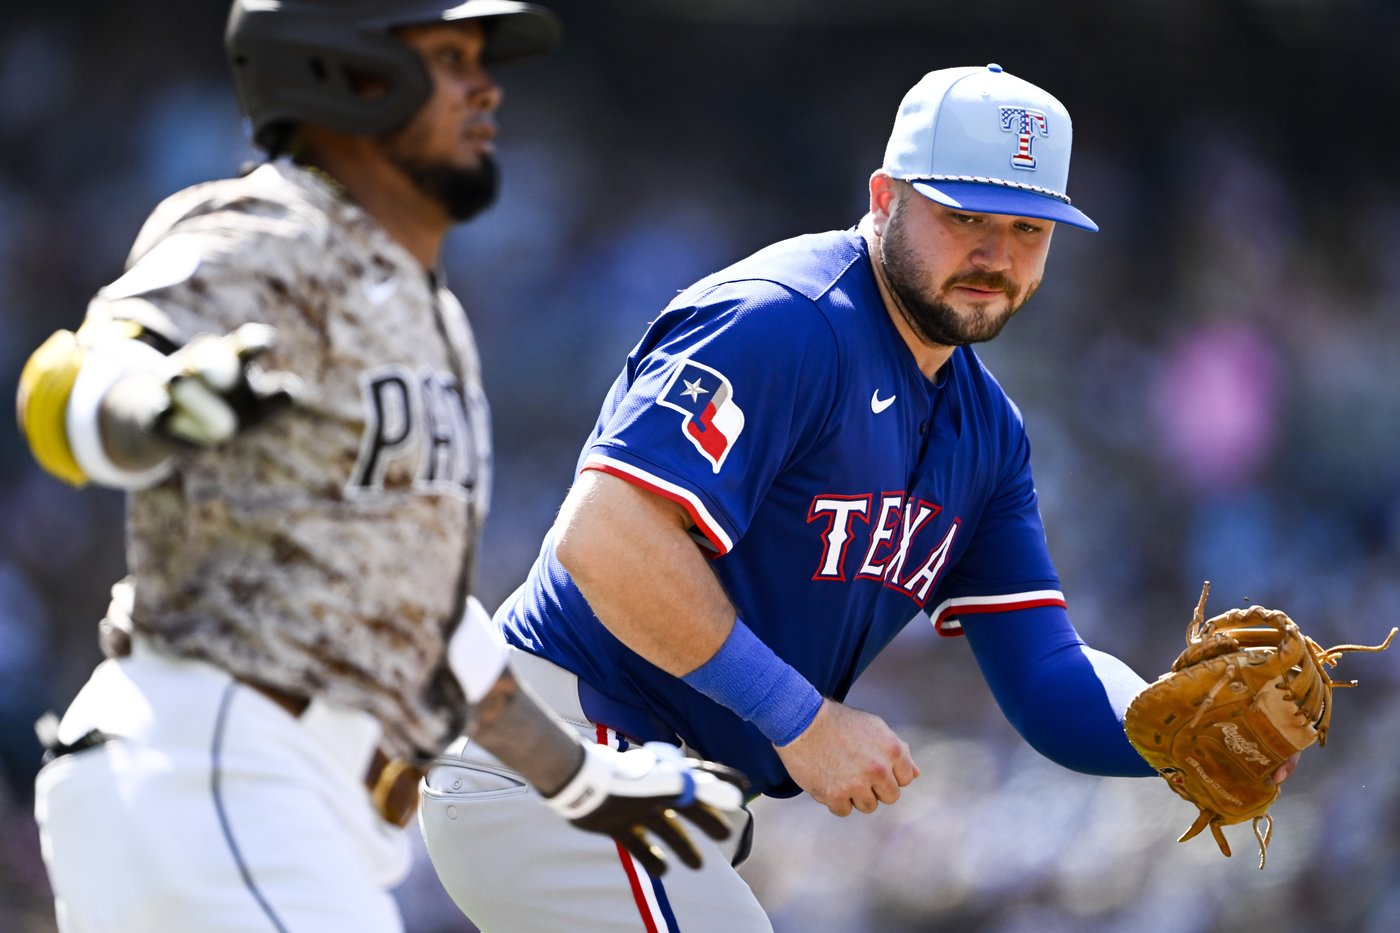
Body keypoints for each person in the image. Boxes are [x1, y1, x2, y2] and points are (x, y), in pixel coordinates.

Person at [416, 63, 1302, 931]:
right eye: (965, 216)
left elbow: (1045, 675)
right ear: (885, 197)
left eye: (1030, 229)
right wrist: (798, 716)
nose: (997, 254)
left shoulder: (987, 434)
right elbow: (602, 535)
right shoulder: (786, 320)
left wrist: (1162, 729)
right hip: (557, 750)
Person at [15, 2, 745, 931]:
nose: (485, 88)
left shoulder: (416, 307)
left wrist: (584, 782)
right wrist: (149, 406)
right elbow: (85, 368)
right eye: (447, 59)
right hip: (220, 766)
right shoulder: (273, 226)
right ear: (340, 77)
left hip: (268, 805)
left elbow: (423, 622)